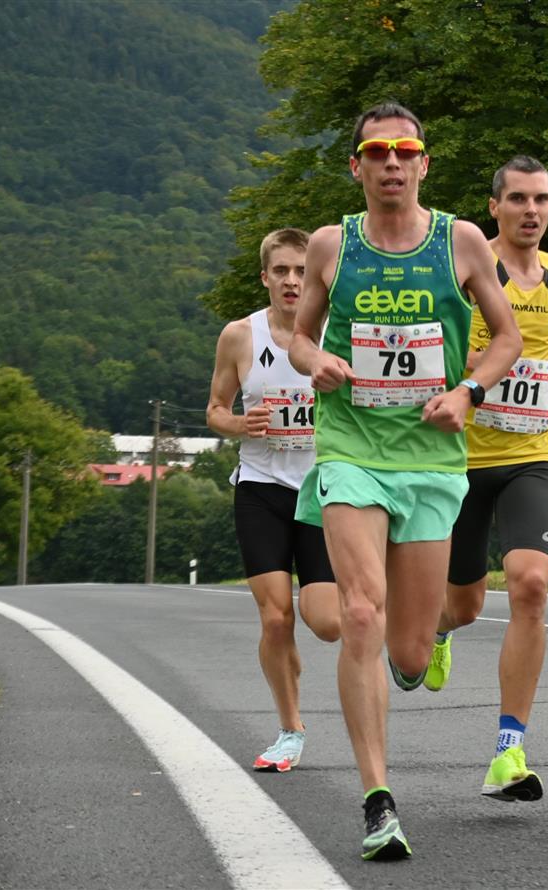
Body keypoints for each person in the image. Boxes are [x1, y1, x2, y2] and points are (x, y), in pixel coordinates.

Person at [289, 101, 522, 862]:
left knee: (412, 653)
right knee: (360, 612)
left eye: (404, 151)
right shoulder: (331, 245)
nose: (391, 162)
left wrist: (468, 392)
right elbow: (299, 335)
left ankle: (422, 645)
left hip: (429, 459)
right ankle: (377, 800)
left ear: (423, 163)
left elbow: (508, 337)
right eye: (376, 152)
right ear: (356, 166)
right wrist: (316, 360)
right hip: (351, 448)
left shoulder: (461, 241)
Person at [421, 156, 548, 804]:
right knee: (463, 606)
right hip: (461, 460)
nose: (531, 210)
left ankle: (508, 749)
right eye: (517, 198)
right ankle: (437, 631)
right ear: (494, 207)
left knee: (529, 585)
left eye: (541, 199)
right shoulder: (467, 269)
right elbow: (434, 346)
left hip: (531, 455)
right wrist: (488, 365)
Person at [206, 227, 341, 774]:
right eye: (281, 270)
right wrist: (240, 424)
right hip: (260, 488)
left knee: (327, 622)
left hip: (321, 489)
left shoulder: (336, 332)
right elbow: (215, 409)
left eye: (302, 271)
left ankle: (293, 658)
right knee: (275, 617)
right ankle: (290, 729)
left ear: (317, 278)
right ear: (265, 276)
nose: (291, 281)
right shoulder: (240, 336)